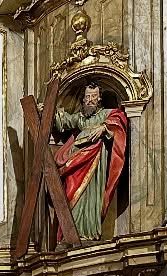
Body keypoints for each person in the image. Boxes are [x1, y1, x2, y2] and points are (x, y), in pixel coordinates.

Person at [53, 82, 128, 240]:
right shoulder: (79, 118)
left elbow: (119, 119)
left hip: (95, 164)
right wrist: (49, 112)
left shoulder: (106, 114)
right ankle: (72, 234)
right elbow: (64, 121)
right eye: (87, 97)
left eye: (93, 96)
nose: (90, 100)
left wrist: (104, 128)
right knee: (71, 192)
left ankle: (88, 232)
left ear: (99, 98)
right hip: (76, 159)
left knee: (92, 195)